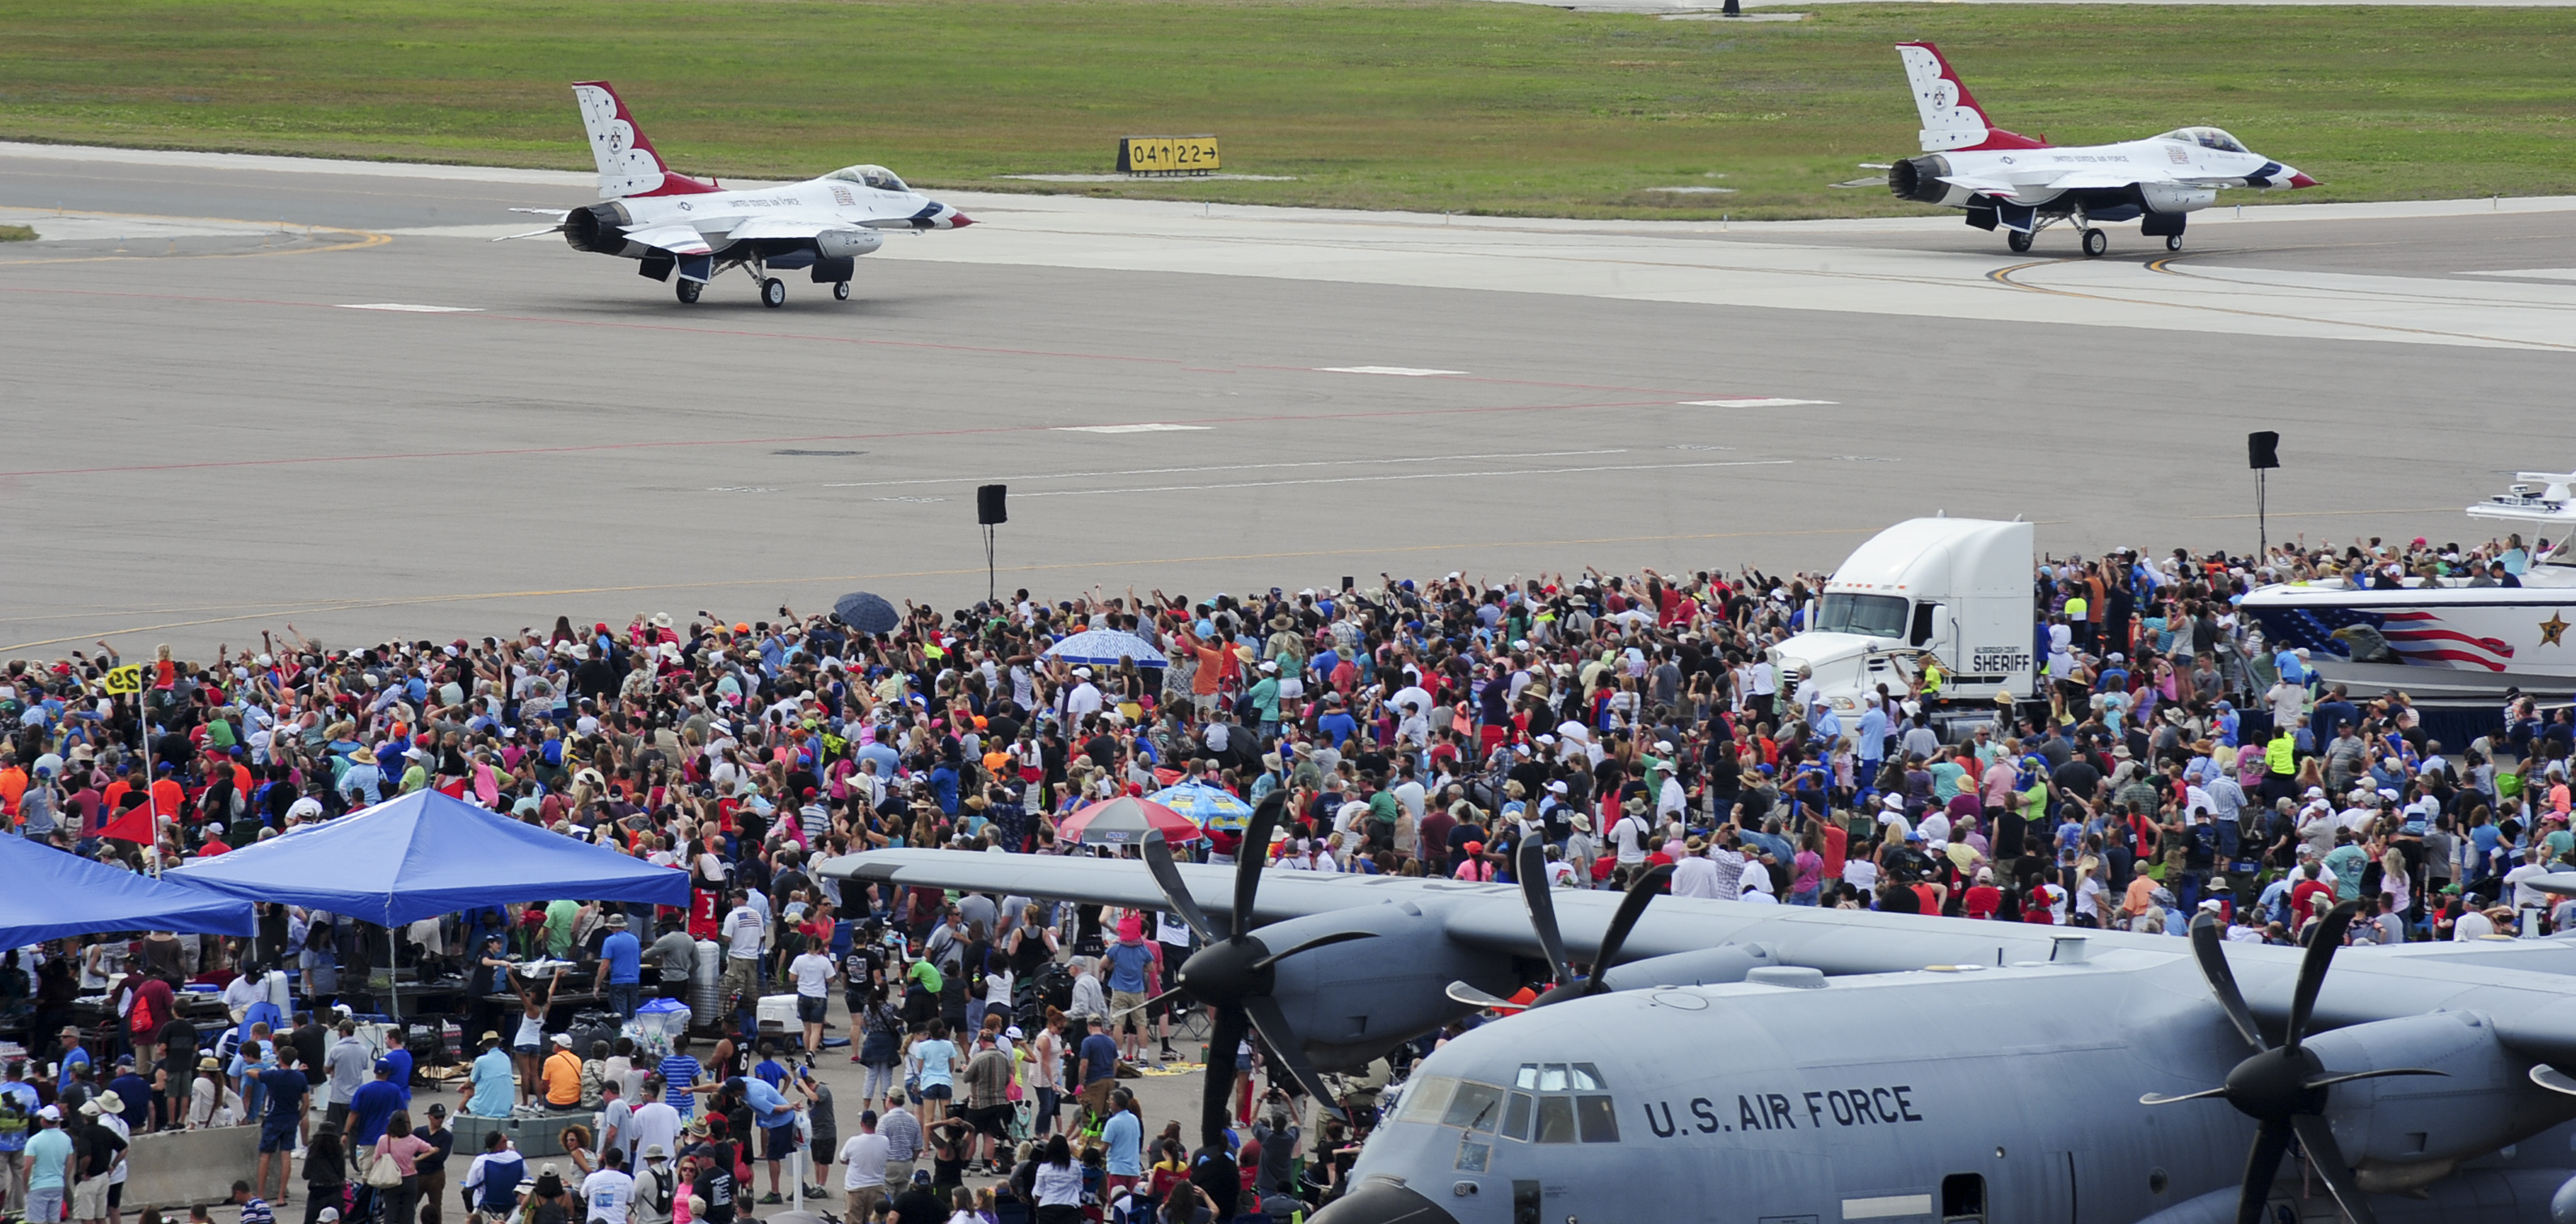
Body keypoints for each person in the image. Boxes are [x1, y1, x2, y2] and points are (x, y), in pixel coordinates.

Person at [254, 1049, 310, 1208]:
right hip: (291, 1117)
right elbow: (306, 1102)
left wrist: (264, 1067)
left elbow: (251, 1073)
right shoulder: (300, 1077)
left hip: (273, 1119)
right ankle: (280, 1196)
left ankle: (261, 1195)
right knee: (286, 1156)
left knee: (266, 1156)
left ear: (280, 1059)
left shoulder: (272, 1075)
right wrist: (299, 1116)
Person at [372, 1111, 434, 1224]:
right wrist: (415, 1160)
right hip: (410, 1179)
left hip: (392, 1180)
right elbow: (431, 1149)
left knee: (390, 1211)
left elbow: (375, 1159)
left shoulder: (384, 1140)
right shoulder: (412, 1139)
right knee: (409, 1212)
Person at [458, 1133, 523, 1224]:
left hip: (486, 1202)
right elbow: (524, 1179)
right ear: (498, 1147)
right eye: (505, 1141)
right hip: (511, 1201)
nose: (508, 1143)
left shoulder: (481, 1161)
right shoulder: (518, 1158)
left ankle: (473, 1218)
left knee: (468, 1190)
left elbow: (470, 1184)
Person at [786, 938, 836, 1056]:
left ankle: (807, 1051)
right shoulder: (824, 961)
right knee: (816, 1029)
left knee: (806, 1028)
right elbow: (830, 979)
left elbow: (792, 978)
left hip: (803, 996)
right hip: (818, 996)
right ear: (820, 948)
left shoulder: (799, 959)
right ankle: (812, 1052)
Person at [837, 1111, 889, 1223]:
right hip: (877, 1187)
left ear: (862, 1124)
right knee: (875, 1220)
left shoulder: (853, 1141)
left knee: (853, 1220)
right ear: (876, 1124)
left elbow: (843, 1159)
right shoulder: (885, 1141)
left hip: (856, 1188)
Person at [25, 1108, 72, 1224]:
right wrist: (63, 1179)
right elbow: (70, 1163)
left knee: (36, 1221)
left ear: (44, 1121)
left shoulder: (34, 1141)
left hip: (38, 1185)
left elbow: (27, 1167)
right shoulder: (66, 1139)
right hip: (57, 1185)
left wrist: (25, 1185)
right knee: (54, 1221)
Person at [907, 1023, 958, 1126]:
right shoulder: (949, 1045)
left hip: (929, 1082)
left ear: (930, 1032)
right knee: (946, 1117)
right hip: (945, 1081)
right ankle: (947, 1139)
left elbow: (920, 1068)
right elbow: (951, 1066)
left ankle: (926, 1142)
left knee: (929, 1119)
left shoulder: (923, 1046)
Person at [595, 916, 644, 1023]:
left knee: (621, 1018)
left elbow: (604, 965)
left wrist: (597, 985)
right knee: (632, 1017)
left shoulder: (610, 941)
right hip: (634, 981)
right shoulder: (634, 939)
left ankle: (623, 1037)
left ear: (611, 927)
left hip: (618, 982)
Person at [1074, 1016, 1121, 1123]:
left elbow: (1084, 1064)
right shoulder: (1110, 1041)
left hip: (1094, 1082)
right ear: (1101, 1026)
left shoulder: (1088, 1042)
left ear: (1089, 1026)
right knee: (1105, 1115)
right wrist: (1112, 1078)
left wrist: (1081, 1083)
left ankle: (1092, 1138)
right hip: (1109, 1081)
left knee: (1091, 1116)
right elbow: (1115, 1064)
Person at [1027, 1136, 1083, 1224]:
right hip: (1070, 1209)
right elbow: (1079, 1188)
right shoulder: (1075, 1166)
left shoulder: (1044, 1167)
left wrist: (1036, 1208)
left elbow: (1039, 1192)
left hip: (1047, 1209)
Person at [301, 1122, 346, 1224]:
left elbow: (305, 1175)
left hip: (317, 1191)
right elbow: (342, 1175)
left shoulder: (313, 1152)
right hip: (335, 1190)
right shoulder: (338, 1152)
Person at [460, 1036, 514, 1120]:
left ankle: (453, 1119)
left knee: (469, 1092)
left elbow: (472, 1081)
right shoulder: (506, 1058)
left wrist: (464, 1085)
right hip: (506, 1108)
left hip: (485, 1108)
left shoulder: (481, 1061)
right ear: (498, 1043)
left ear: (484, 1046)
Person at [581, 1147, 635, 1224]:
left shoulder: (592, 1178)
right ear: (621, 1162)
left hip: (595, 1222)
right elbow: (630, 1200)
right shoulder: (627, 1179)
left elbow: (583, 1194)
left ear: (605, 1159)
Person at [541, 1036, 585, 1115]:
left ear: (558, 1046)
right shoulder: (577, 1059)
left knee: (536, 1102)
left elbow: (545, 1085)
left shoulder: (550, 1060)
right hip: (574, 1102)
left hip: (555, 1103)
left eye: (555, 1043)